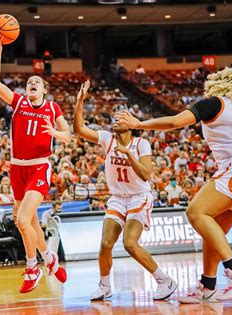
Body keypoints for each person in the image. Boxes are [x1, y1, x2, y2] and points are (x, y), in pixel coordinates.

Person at [118, 67, 232, 303]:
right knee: (213, 225)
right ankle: (208, 285)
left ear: (216, 84)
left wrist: (140, 123)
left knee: (196, 211)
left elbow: (176, 122)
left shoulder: (214, 103)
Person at [74, 80, 177, 301]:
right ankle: (104, 286)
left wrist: (128, 154)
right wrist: (80, 102)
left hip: (139, 197)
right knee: (105, 244)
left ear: (131, 124)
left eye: (120, 117)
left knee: (130, 244)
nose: (115, 120)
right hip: (118, 199)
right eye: (114, 118)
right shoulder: (106, 139)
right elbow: (79, 129)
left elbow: (146, 175)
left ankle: (164, 280)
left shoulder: (141, 145)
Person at [0, 28, 69, 293]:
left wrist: (54, 132)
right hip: (17, 168)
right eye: (29, 83)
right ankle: (50, 258)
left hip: (39, 166)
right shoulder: (19, 103)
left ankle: (32, 267)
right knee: (30, 222)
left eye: (36, 82)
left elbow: (68, 136)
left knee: (22, 220)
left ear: (44, 89)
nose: (31, 84)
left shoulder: (52, 108)